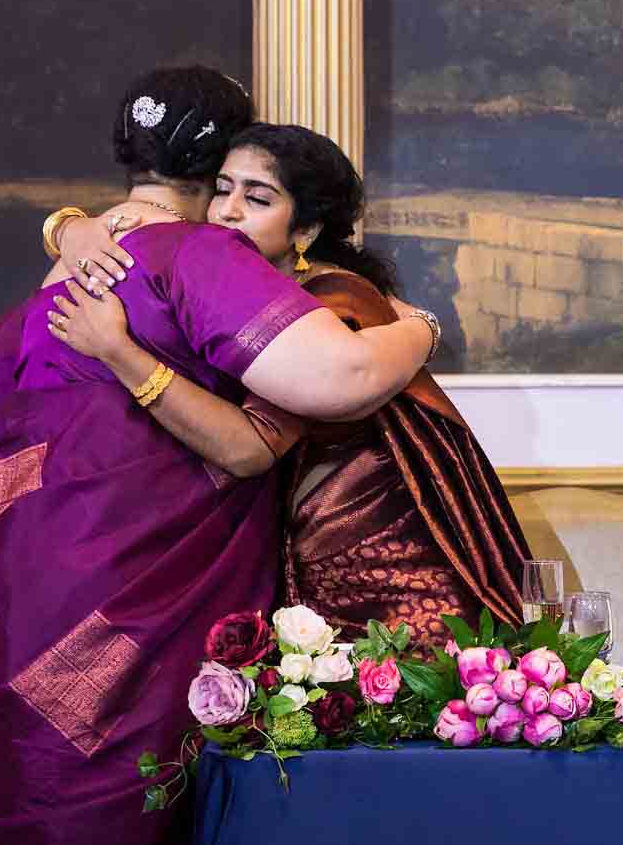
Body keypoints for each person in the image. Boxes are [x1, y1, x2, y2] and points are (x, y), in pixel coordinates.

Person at [0, 68, 444, 845]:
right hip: (135, 614)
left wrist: (70, 226)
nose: (235, 206)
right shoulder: (197, 259)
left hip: (20, 609)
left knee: (29, 833)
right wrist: (422, 324)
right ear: (215, 159)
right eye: (229, 181)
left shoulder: (68, 267)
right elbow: (340, 380)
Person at [52, 123, 531, 647]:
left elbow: (247, 449)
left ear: (304, 231)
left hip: (385, 575)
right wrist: (67, 227)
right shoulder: (241, 290)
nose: (228, 210)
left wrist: (118, 352)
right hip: (311, 552)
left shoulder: (331, 302)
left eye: (257, 198)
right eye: (221, 189)